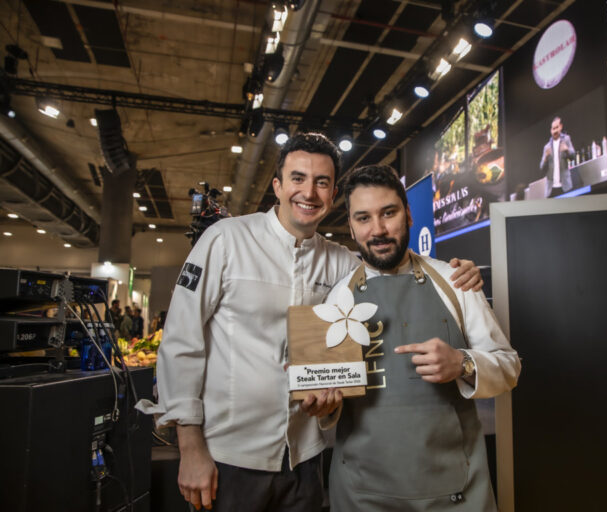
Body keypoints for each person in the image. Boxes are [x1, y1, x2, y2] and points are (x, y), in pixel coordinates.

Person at [141, 133, 482, 512]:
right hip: (229, 457)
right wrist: (190, 449)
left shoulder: (340, 262)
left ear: (333, 194)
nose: (309, 192)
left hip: (306, 459)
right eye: (298, 178)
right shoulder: (225, 240)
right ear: (278, 186)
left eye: (322, 182)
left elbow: (389, 257)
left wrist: (454, 272)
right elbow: (181, 343)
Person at [326, 164, 521, 511]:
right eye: (364, 218)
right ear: (351, 228)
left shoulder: (455, 282)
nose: (379, 230)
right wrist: (323, 404)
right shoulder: (337, 299)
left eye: (389, 213)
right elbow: (331, 399)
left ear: (409, 214)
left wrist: (462, 363)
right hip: (362, 494)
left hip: (453, 493)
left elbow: (509, 367)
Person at [539, 116, 576, 197]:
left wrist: (567, 150)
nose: (555, 130)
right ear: (550, 130)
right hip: (551, 189)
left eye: (557, 128)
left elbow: (573, 156)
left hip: (565, 186)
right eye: (553, 128)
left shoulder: (566, 139)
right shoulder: (547, 147)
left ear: (561, 127)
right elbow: (541, 167)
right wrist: (545, 157)